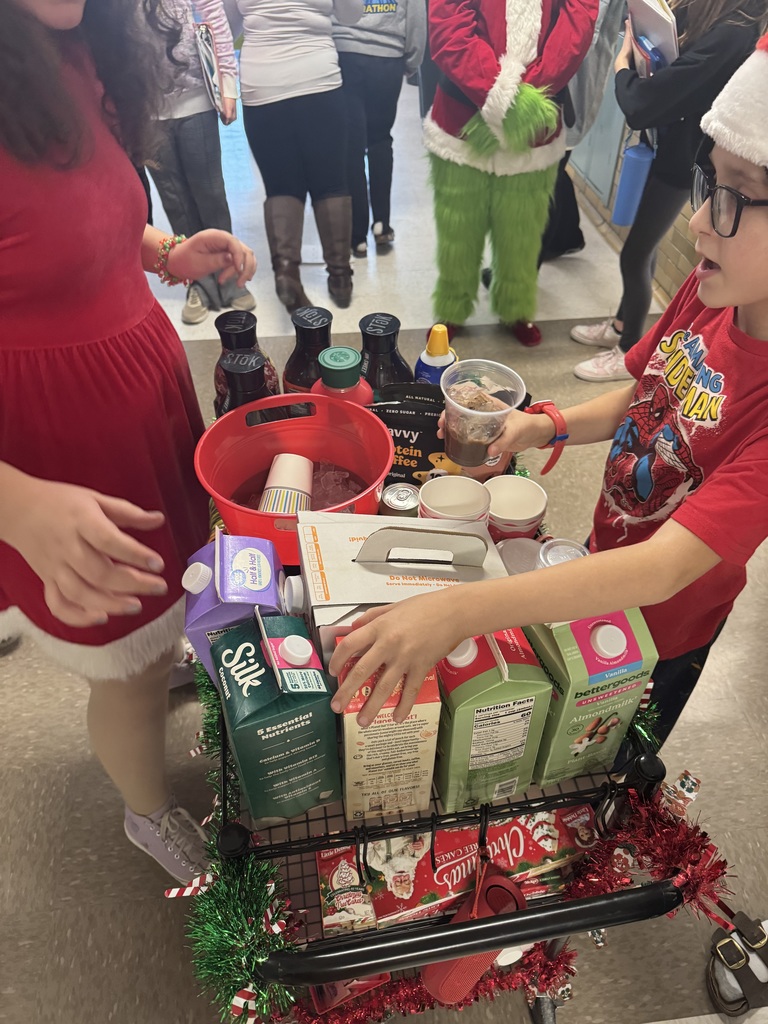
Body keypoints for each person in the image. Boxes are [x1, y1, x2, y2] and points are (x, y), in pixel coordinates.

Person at [329, 33, 768, 758]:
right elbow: (649, 397)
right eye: (708, 182)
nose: (696, 223)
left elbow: (666, 569)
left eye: (737, 195)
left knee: (608, 753)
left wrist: (458, 612)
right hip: (602, 558)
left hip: (666, 627)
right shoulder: (713, 292)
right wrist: (544, 425)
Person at [0, 0, 255, 881]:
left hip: (136, 391)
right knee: (126, 669)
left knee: (167, 593)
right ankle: (147, 812)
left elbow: (67, 216)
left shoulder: (73, 47)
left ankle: (157, 651)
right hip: (54, 446)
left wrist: (161, 250)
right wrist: (16, 500)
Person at [570, 0, 765, 382]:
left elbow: (646, 102)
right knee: (646, 247)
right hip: (673, 149)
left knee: (635, 253)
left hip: (685, 162)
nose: (697, 223)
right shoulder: (715, 16)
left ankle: (629, 351)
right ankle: (624, 323)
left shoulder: (737, 30)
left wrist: (624, 65)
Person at [423, 0, 598, 348]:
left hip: (535, 123)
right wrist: (504, 97)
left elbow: (577, 22)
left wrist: (528, 96)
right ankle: (452, 309)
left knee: (522, 233)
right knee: (458, 230)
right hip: (463, 116)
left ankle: (514, 308)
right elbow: (448, 25)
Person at [235, 0, 363, 312]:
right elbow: (351, 14)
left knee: (281, 186)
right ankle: (340, 278)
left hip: (261, 84)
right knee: (331, 182)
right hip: (317, 77)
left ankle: (287, 275)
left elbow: (228, 22)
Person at [147, 0, 256, 325]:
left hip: (196, 102)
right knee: (175, 201)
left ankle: (228, 276)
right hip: (147, 111)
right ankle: (196, 281)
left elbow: (218, 26)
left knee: (209, 193)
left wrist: (228, 88)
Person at [333, 0, 426, 257]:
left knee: (351, 146)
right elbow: (416, 13)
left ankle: (357, 235)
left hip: (346, 51)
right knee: (380, 140)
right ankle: (382, 224)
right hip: (389, 56)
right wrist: (413, 59)